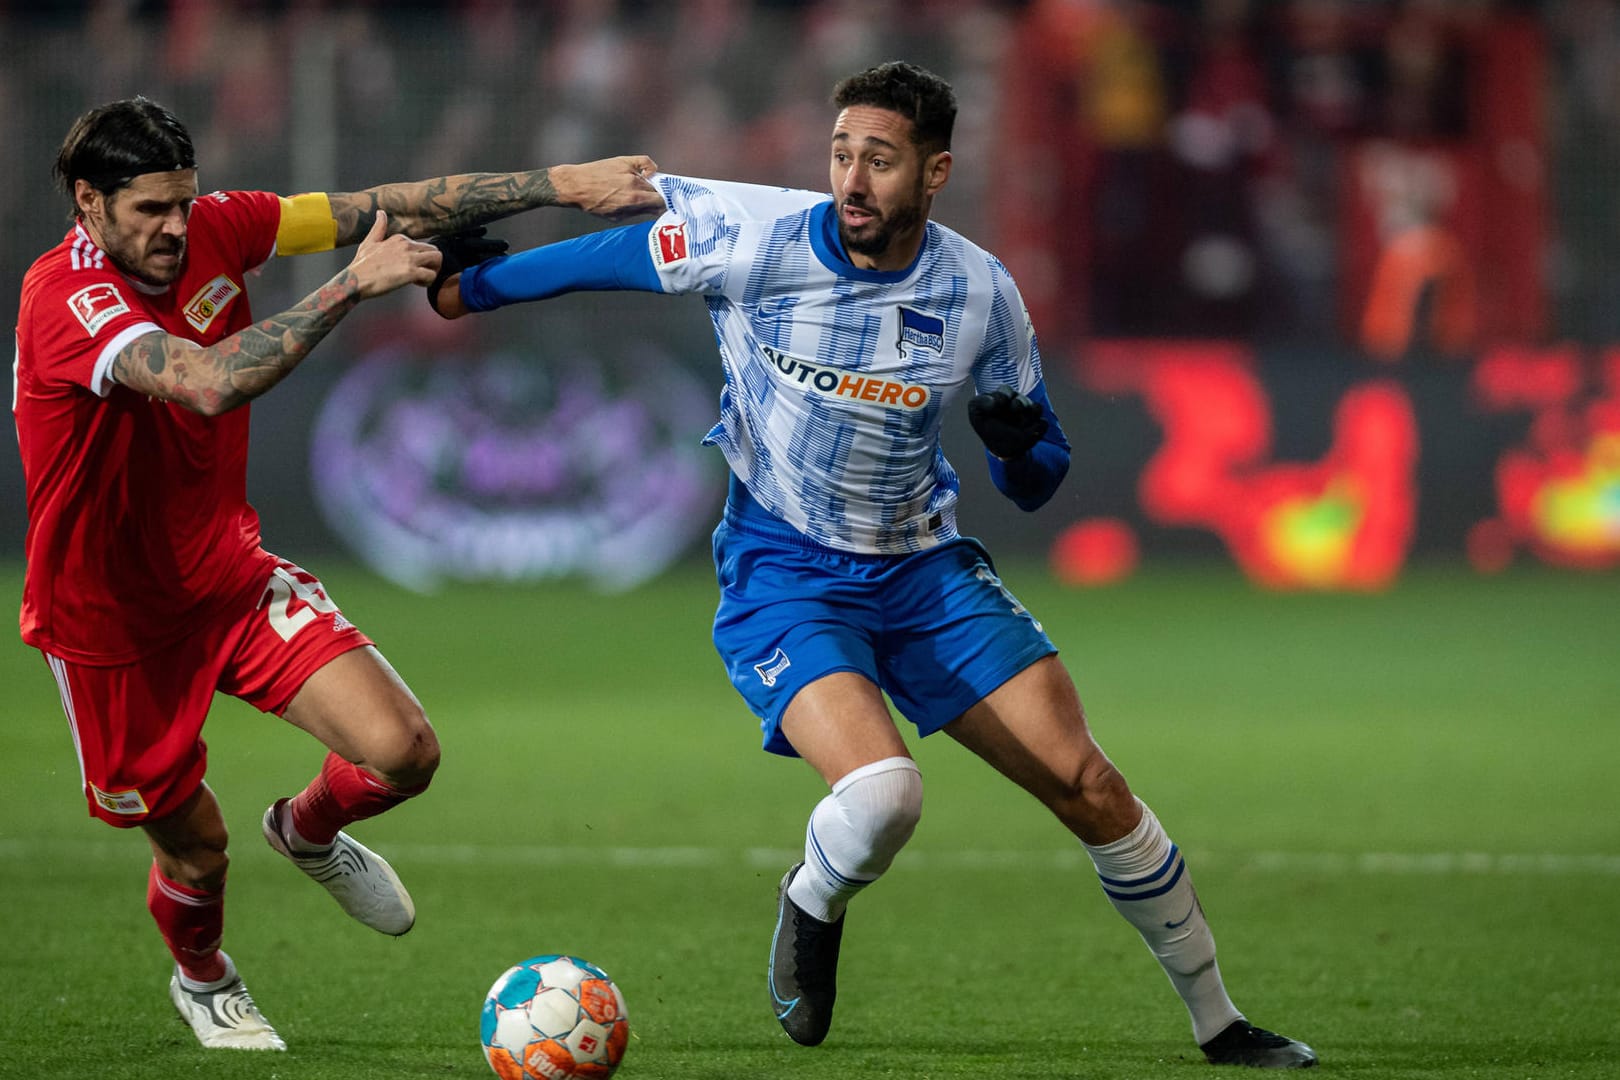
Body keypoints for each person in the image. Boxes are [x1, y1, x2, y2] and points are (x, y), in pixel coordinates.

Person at [428, 62, 1317, 1068]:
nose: (854, 180)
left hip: (922, 570)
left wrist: (1020, 444)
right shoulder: (757, 239)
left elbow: (1036, 479)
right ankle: (813, 902)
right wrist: (469, 290)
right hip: (787, 571)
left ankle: (1220, 1024)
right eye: (843, 154)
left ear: (934, 173)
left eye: (881, 161)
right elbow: (614, 254)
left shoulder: (981, 291)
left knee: (1092, 785)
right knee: (886, 795)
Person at [11, 95, 663, 1053]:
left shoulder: (222, 226)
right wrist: (351, 289)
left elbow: (374, 204)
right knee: (196, 846)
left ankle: (308, 830)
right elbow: (206, 381)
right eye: (150, 208)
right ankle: (205, 977)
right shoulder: (63, 297)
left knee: (404, 751)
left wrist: (562, 185)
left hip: (228, 577)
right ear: (88, 201)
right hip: (108, 626)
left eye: (182, 204)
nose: (175, 228)